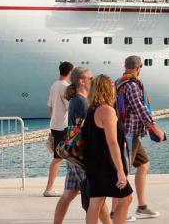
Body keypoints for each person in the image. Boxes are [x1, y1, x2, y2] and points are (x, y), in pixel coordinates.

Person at [54, 67, 112, 224]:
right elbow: (83, 129)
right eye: (90, 78)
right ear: (81, 81)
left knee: (69, 194)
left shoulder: (76, 100)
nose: (92, 81)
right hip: (82, 156)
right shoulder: (81, 102)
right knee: (97, 197)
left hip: (73, 154)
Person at [116, 56, 164, 219]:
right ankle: (116, 212)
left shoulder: (119, 82)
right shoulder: (131, 85)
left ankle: (142, 206)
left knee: (144, 165)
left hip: (133, 133)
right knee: (123, 173)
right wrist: (154, 127)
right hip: (129, 133)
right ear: (138, 68)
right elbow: (139, 108)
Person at [83, 74, 133, 224]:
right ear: (106, 89)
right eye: (111, 85)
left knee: (95, 203)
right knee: (126, 199)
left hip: (94, 163)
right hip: (107, 164)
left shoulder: (92, 110)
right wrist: (120, 170)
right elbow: (112, 142)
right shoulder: (107, 110)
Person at [45, 61, 74, 197]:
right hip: (64, 126)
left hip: (55, 125)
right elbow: (71, 107)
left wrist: (53, 120)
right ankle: (49, 188)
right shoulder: (66, 87)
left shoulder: (54, 85)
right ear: (70, 72)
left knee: (67, 157)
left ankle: (75, 185)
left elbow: (50, 106)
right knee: (59, 158)